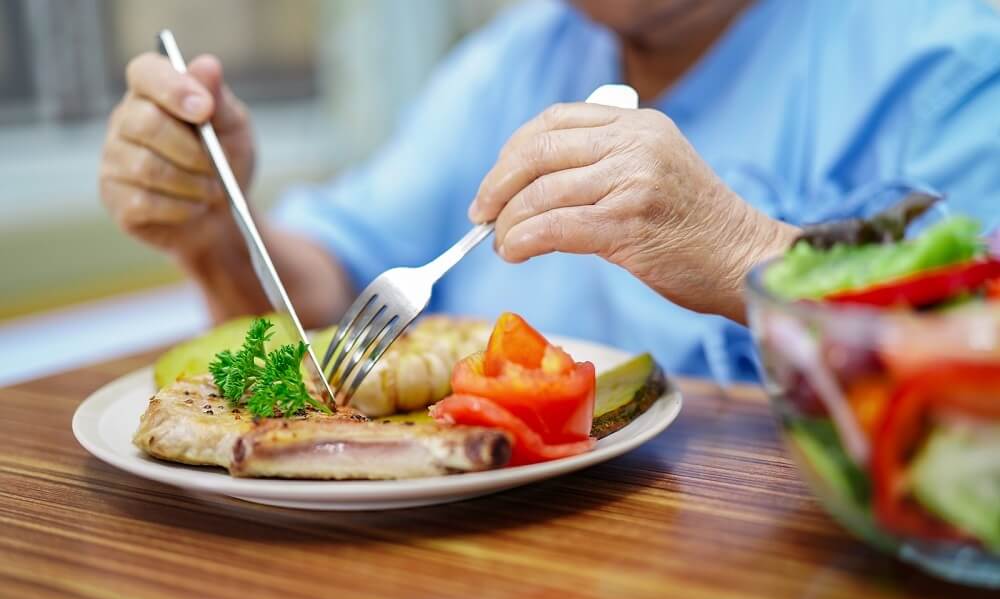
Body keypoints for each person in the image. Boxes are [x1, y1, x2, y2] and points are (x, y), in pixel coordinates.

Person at [99, 0, 1000, 385]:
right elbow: (331, 289)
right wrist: (217, 230)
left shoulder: (947, 52)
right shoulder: (514, 58)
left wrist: (744, 251)